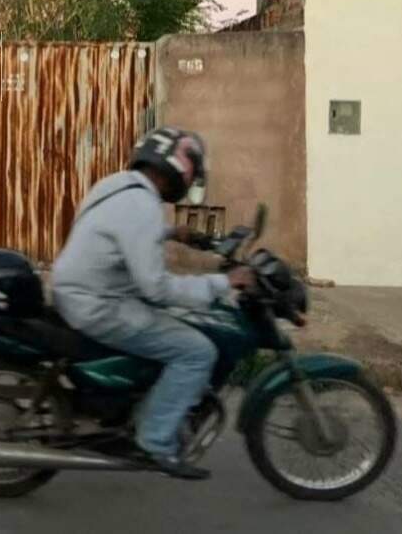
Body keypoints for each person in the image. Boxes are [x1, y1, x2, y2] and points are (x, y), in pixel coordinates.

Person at [50, 127, 254, 481]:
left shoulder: (118, 184)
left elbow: (121, 229)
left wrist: (173, 233)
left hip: (78, 291)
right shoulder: (142, 206)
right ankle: (156, 440)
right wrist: (222, 282)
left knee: (172, 325)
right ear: (179, 168)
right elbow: (156, 289)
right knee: (196, 351)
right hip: (100, 305)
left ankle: (141, 407)